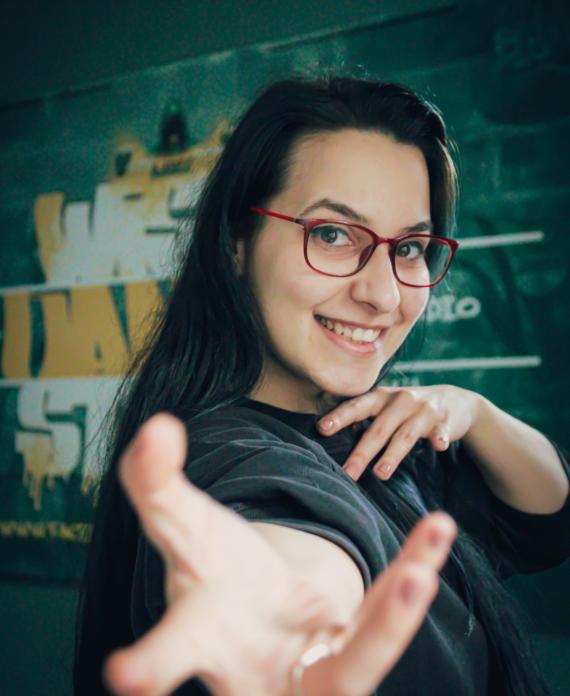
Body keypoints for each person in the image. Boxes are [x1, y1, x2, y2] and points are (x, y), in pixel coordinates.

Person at [73, 75, 570, 696]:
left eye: (411, 247)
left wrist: (473, 411)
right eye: (333, 234)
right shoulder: (226, 455)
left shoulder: (381, 434)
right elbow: (288, 554)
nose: (382, 294)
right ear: (236, 242)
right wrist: (282, 633)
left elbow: (549, 519)